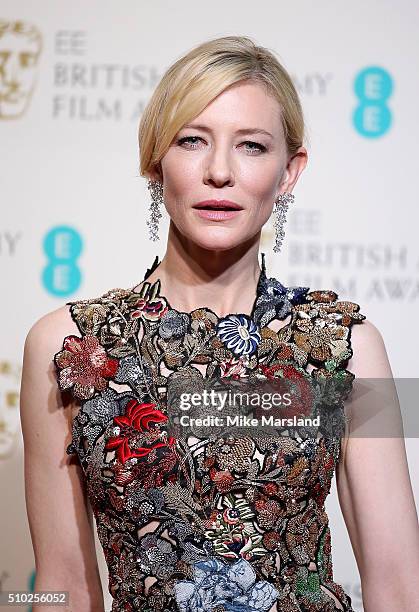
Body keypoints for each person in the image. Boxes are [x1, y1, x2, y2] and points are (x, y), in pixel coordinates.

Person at [20, 35, 419, 612]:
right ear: (155, 162)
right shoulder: (68, 346)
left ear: (289, 171)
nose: (219, 172)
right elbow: (60, 587)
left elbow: (400, 587)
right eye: (192, 141)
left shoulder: (347, 346)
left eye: (252, 146)